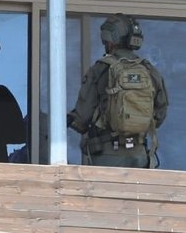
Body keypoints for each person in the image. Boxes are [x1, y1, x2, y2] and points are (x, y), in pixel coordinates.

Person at [67, 13, 168, 168]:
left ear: (110, 38)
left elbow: (82, 118)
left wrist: (68, 121)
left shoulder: (101, 69)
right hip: (140, 155)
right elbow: (159, 116)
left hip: (107, 155)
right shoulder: (149, 70)